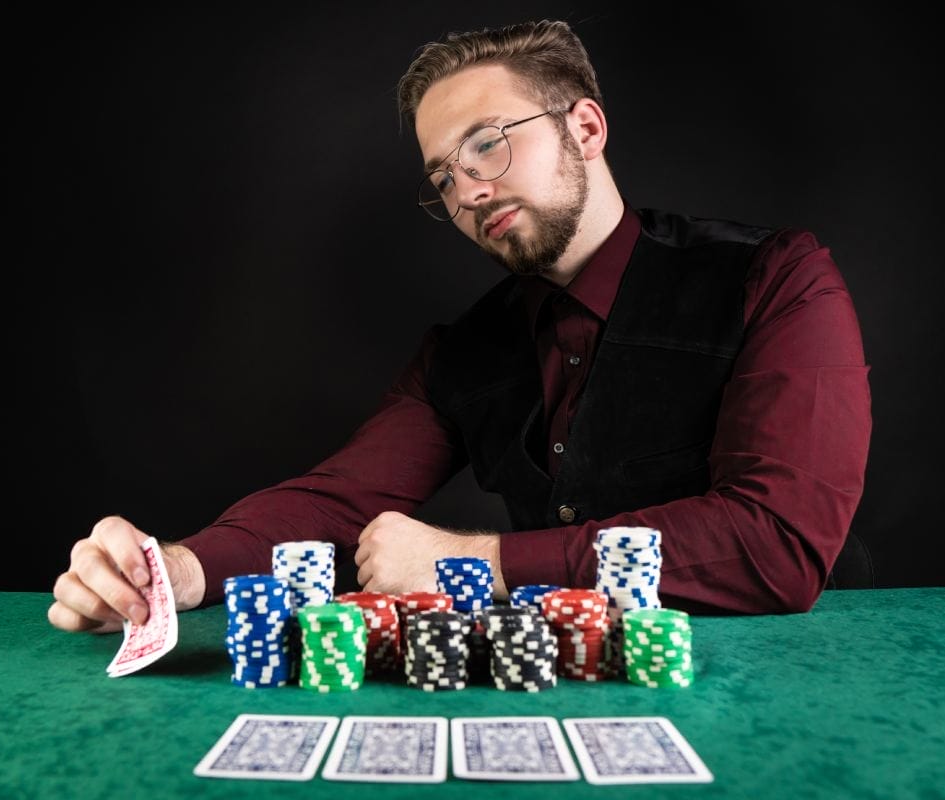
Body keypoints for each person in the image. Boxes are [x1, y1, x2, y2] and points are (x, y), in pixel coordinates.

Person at [47, 18, 871, 634]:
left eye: (488, 145)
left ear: (584, 128)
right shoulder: (464, 349)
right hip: (544, 696)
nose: (468, 190)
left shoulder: (778, 278)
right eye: (444, 174)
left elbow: (780, 547)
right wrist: (178, 570)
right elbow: (339, 501)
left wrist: (475, 562)